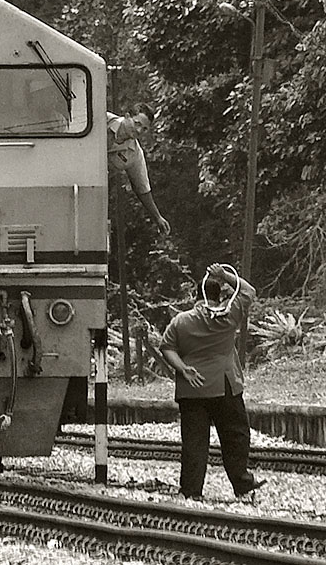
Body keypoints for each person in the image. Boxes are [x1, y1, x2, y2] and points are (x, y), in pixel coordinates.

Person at [159, 263, 265, 499]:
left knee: (194, 442)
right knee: (235, 435)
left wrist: (184, 369)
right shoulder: (229, 316)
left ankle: (191, 490)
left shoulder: (181, 321)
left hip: (192, 389)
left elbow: (166, 347)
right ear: (220, 295)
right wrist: (225, 274)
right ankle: (242, 484)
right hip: (225, 386)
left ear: (196, 295)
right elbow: (249, 291)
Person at [107, 103, 171, 234]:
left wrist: (157, 217)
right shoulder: (100, 119)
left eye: (145, 129)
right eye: (137, 124)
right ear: (127, 116)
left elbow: (142, 187)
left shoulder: (134, 154)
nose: (139, 130)